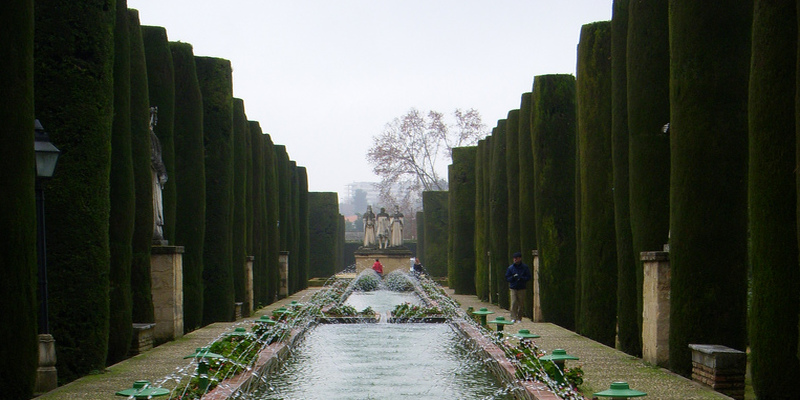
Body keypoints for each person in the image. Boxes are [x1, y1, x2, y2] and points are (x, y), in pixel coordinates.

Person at [505, 251, 531, 323]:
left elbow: (528, 277)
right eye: (514, 258)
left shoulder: (525, 267)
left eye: (516, 258)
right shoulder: (510, 268)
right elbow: (507, 278)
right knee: (513, 303)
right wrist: (513, 277)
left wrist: (522, 278)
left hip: (522, 288)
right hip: (513, 287)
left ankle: (519, 318)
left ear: (520, 258)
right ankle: (513, 317)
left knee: (521, 304)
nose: (515, 260)